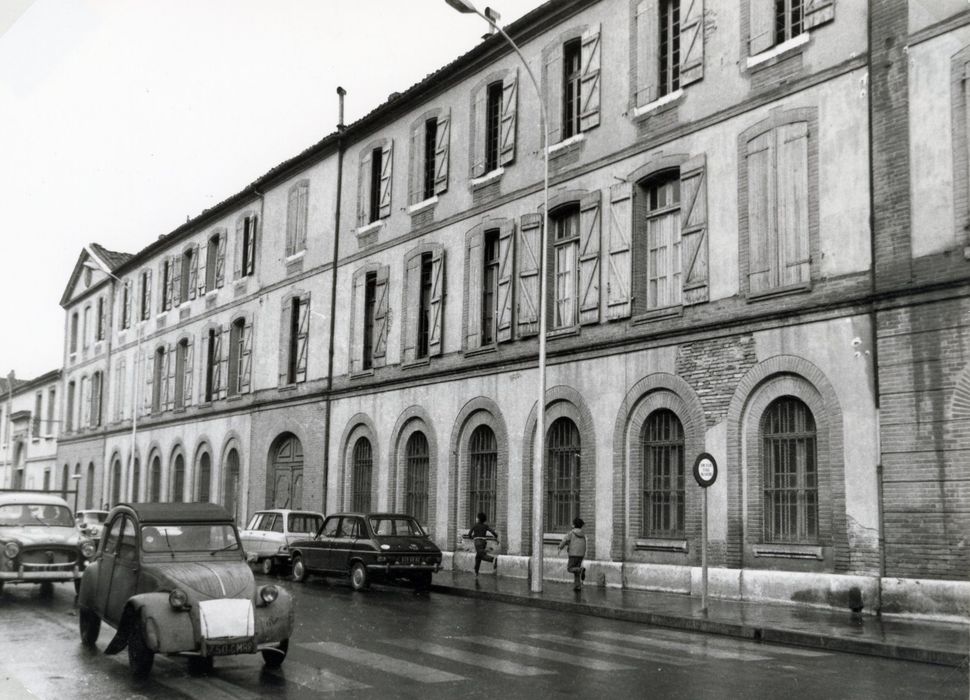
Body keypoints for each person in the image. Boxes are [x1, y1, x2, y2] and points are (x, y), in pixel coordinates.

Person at [558, 517, 587, 591]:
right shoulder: (583, 533)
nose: (571, 525)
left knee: (570, 568)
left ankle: (581, 570)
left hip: (573, 554)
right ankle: (577, 586)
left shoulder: (571, 532)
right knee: (576, 572)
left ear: (574, 525)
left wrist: (560, 547)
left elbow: (564, 540)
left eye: (573, 523)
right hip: (581, 554)